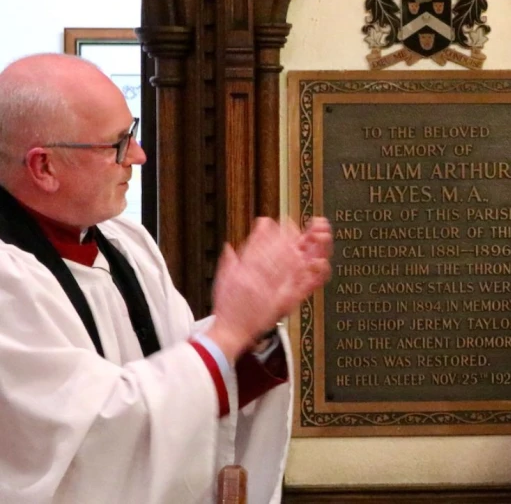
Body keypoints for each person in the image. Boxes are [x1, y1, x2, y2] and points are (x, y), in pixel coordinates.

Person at [0, 54, 333, 503]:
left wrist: (250, 334)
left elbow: (174, 364)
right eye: (117, 144)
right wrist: (229, 330)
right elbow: (96, 434)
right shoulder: (8, 276)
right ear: (44, 167)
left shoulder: (126, 243)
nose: (138, 155)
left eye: (131, 134)